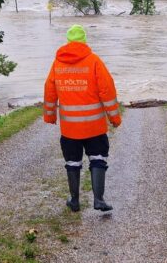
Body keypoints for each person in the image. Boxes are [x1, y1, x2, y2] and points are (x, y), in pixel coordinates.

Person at [43, 24, 121, 212]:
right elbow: (107, 90)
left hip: (70, 128)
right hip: (94, 127)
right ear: (84, 40)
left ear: (68, 41)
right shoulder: (94, 61)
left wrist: (50, 115)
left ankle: (75, 200)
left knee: (72, 162)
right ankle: (99, 200)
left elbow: (49, 90)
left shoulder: (58, 63)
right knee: (98, 158)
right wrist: (114, 117)